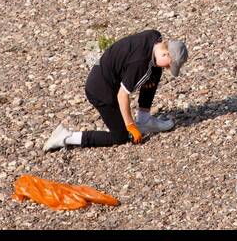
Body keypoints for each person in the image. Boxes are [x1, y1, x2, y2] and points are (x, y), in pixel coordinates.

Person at [43, 31, 188, 151]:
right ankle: (66, 137)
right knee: (120, 137)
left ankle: (144, 120)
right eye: (169, 65)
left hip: (106, 74)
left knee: (154, 70)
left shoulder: (155, 38)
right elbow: (122, 95)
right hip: (100, 90)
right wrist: (130, 125)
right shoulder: (140, 64)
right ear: (165, 54)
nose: (168, 68)